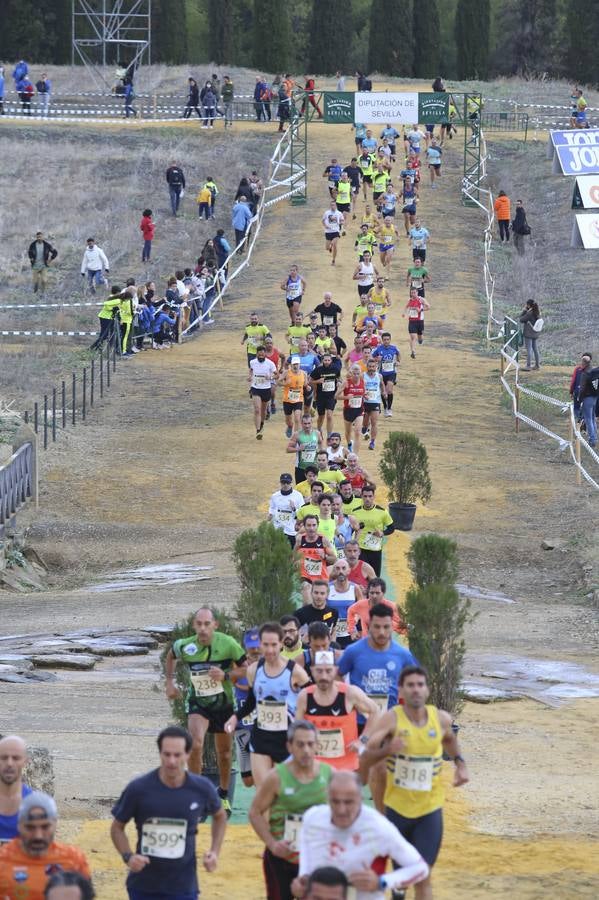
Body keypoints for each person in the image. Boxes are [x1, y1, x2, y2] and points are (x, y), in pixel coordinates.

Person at [359, 666, 469, 899]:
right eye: (410, 685)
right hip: (398, 810)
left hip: (429, 810)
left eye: (420, 685)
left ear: (427, 690)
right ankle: (398, 891)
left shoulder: (440, 719)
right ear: (401, 690)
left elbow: (450, 739)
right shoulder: (391, 719)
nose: (416, 690)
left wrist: (460, 763)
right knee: (402, 878)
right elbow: (368, 755)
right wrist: (389, 749)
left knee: (422, 875)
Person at [110, 725, 226, 900]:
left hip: (183, 887)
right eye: (167, 754)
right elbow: (117, 828)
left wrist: (214, 851)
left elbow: (220, 816)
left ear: (188, 755)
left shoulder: (201, 788)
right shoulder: (139, 789)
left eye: (177, 755)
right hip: (144, 886)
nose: (172, 761)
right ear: (160, 754)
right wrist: (128, 856)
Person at [293, 771, 428, 900]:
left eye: (348, 802)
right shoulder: (312, 818)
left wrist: (381, 882)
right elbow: (306, 853)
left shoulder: (378, 827)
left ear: (360, 798)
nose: (341, 810)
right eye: (335, 801)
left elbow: (420, 868)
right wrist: (303, 879)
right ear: (327, 797)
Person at [164, 608, 247, 815]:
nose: (202, 628)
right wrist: (169, 682)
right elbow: (171, 655)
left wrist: (226, 675)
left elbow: (246, 668)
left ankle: (224, 793)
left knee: (225, 754)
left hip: (224, 704)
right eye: (199, 624)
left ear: (215, 625)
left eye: (206, 624)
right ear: (194, 625)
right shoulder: (186, 645)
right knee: (196, 743)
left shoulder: (228, 644)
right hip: (198, 703)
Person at [249, 721, 332, 900]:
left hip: (315, 858)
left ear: (318, 746)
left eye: (311, 744)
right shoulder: (276, 777)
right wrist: (272, 844)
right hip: (281, 858)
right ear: (289, 746)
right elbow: (255, 812)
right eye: (300, 744)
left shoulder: (329, 775)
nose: (306, 750)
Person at [224, 623, 310, 786]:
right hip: (261, 737)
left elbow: (311, 699)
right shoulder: (253, 671)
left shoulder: (295, 671)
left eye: (274, 645)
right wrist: (235, 718)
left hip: (286, 739)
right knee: (263, 791)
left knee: (285, 792)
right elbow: (251, 702)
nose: (270, 650)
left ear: (281, 643)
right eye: (265, 645)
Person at [296, 650, 380, 771]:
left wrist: (363, 740)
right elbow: (297, 728)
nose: (324, 676)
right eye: (319, 671)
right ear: (312, 671)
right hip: (315, 767)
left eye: (328, 671)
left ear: (335, 670)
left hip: (346, 767)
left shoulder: (350, 693)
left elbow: (375, 711)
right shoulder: (304, 696)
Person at [0, 792, 91, 898]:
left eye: (45, 827)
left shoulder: (74, 859)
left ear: (55, 824)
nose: (38, 836)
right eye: (30, 827)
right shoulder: (3, 860)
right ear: (19, 826)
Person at [232, 628, 262, 789]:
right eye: (251, 648)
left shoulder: (270, 667)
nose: (255, 651)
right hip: (242, 730)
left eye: (258, 647)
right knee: (248, 781)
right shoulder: (237, 669)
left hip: (264, 731)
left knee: (262, 775)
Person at [351, 484, 394, 576]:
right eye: (365, 496)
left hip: (375, 550)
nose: (367, 499)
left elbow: (391, 528)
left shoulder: (382, 512)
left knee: (374, 577)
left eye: (370, 496)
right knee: (361, 576)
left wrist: (382, 533)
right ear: (361, 496)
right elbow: (351, 529)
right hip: (360, 549)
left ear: (374, 497)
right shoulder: (355, 512)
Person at [295, 522, 338, 606]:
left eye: (314, 525)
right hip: (305, 576)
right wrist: (296, 561)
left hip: (320, 577)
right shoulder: (300, 540)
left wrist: (324, 556)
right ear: (305, 526)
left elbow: (334, 559)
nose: (311, 528)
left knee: (319, 604)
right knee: (307, 597)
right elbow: (293, 556)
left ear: (317, 526)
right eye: (309, 525)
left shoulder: (323, 540)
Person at [0, 735, 32, 844]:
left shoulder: (38, 805)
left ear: (26, 761)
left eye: (16, 758)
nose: (9, 763)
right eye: (4, 757)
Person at [287, 413, 324, 484]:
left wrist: (320, 452)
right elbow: (288, 449)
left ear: (312, 423)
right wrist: (298, 449)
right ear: (301, 423)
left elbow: (321, 443)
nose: (307, 426)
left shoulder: (317, 433)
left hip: (314, 467)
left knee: (315, 488)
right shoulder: (297, 434)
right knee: (300, 490)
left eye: (309, 423)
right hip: (301, 468)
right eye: (305, 423)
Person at [249, 345, 277, 439]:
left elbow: (277, 375)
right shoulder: (252, 362)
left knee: (263, 411)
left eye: (262, 354)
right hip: (255, 388)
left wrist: (271, 377)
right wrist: (250, 376)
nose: (261, 356)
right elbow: (251, 370)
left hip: (266, 389)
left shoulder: (270, 363)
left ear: (265, 354)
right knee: (257, 409)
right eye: (259, 354)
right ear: (257, 354)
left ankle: (261, 424)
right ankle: (258, 430)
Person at [269, 473, 304, 547]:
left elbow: (302, 513)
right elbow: (272, 508)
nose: (285, 485)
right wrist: (270, 515)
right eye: (283, 482)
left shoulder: (298, 496)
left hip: (291, 530)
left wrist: (294, 508)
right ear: (280, 483)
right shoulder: (275, 496)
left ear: (291, 483)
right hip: (278, 528)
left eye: (287, 483)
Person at [311, 352, 341, 436]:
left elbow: (339, 378)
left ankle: (329, 435)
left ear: (331, 361)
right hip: (320, 396)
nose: (327, 362)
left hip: (331, 396)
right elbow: (310, 381)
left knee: (329, 415)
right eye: (325, 360)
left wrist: (339, 382)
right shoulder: (318, 370)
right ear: (322, 361)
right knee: (321, 416)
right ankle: (319, 430)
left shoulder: (335, 369)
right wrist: (318, 381)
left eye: (328, 360)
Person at [337, 365, 365, 453]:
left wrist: (365, 396)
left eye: (358, 373)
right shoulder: (346, 383)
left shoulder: (363, 382)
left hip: (359, 410)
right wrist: (346, 397)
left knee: (357, 432)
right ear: (351, 373)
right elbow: (336, 396)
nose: (356, 375)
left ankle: (355, 455)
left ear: (360, 373)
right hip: (348, 410)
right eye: (354, 374)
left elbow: (362, 393)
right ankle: (349, 443)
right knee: (348, 432)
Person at [372, 332, 400, 417]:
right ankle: (385, 407)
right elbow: (372, 358)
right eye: (384, 340)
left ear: (390, 340)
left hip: (392, 372)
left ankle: (389, 408)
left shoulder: (394, 348)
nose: (386, 341)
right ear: (382, 340)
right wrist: (377, 359)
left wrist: (398, 361)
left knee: (389, 390)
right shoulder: (378, 349)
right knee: (383, 392)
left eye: (388, 339)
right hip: (381, 373)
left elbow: (399, 354)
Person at [362, 357, 386, 450]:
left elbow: (382, 384)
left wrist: (384, 392)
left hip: (375, 401)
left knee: (374, 422)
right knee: (365, 423)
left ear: (376, 367)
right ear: (367, 367)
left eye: (373, 366)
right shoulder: (362, 375)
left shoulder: (379, 376)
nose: (371, 368)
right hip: (365, 402)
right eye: (370, 366)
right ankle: (364, 428)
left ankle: (372, 442)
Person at [578, 354, 599, 448]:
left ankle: (592, 440)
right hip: (595, 397)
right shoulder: (594, 371)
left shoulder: (585, 373)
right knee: (592, 417)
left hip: (587, 398)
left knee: (588, 419)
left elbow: (582, 389)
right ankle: (595, 437)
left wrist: (579, 399)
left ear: (584, 363)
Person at [403, 287, 430, 359]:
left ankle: (420, 340)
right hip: (412, 321)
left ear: (417, 292)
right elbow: (406, 307)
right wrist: (404, 313)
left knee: (420, 337)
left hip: (420, 321)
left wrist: (420, 309)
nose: (413, 294)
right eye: (412, 293)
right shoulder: (410, 300)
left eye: (414, 292)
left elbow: (428, 307)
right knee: (413, 337)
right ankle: (413, 351)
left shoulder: (421, 299)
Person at [519, 299, 542, 372]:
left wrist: (524, 310)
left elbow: (521, 319)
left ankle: (528, 366)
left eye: (527, 305)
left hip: (528, 334)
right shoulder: (538, 312)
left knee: (529, 350)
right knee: (535, 349)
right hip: (535, 333)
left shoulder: (529, 313)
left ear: (529, 305)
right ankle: (537, 365)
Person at [322, 200, 344, 266]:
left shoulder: (339, 213)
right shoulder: (326, 213)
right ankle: (330, 247)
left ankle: (333, 260)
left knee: (334, 244)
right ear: (330, 206)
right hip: (328, 232)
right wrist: (325, 226)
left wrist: (340, 223)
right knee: (327, 248)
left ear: (336, 206)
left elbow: (342, 221)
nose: (332, 206)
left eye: (333, 205)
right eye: (331, 205)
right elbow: (323, 221)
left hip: (336, 231)